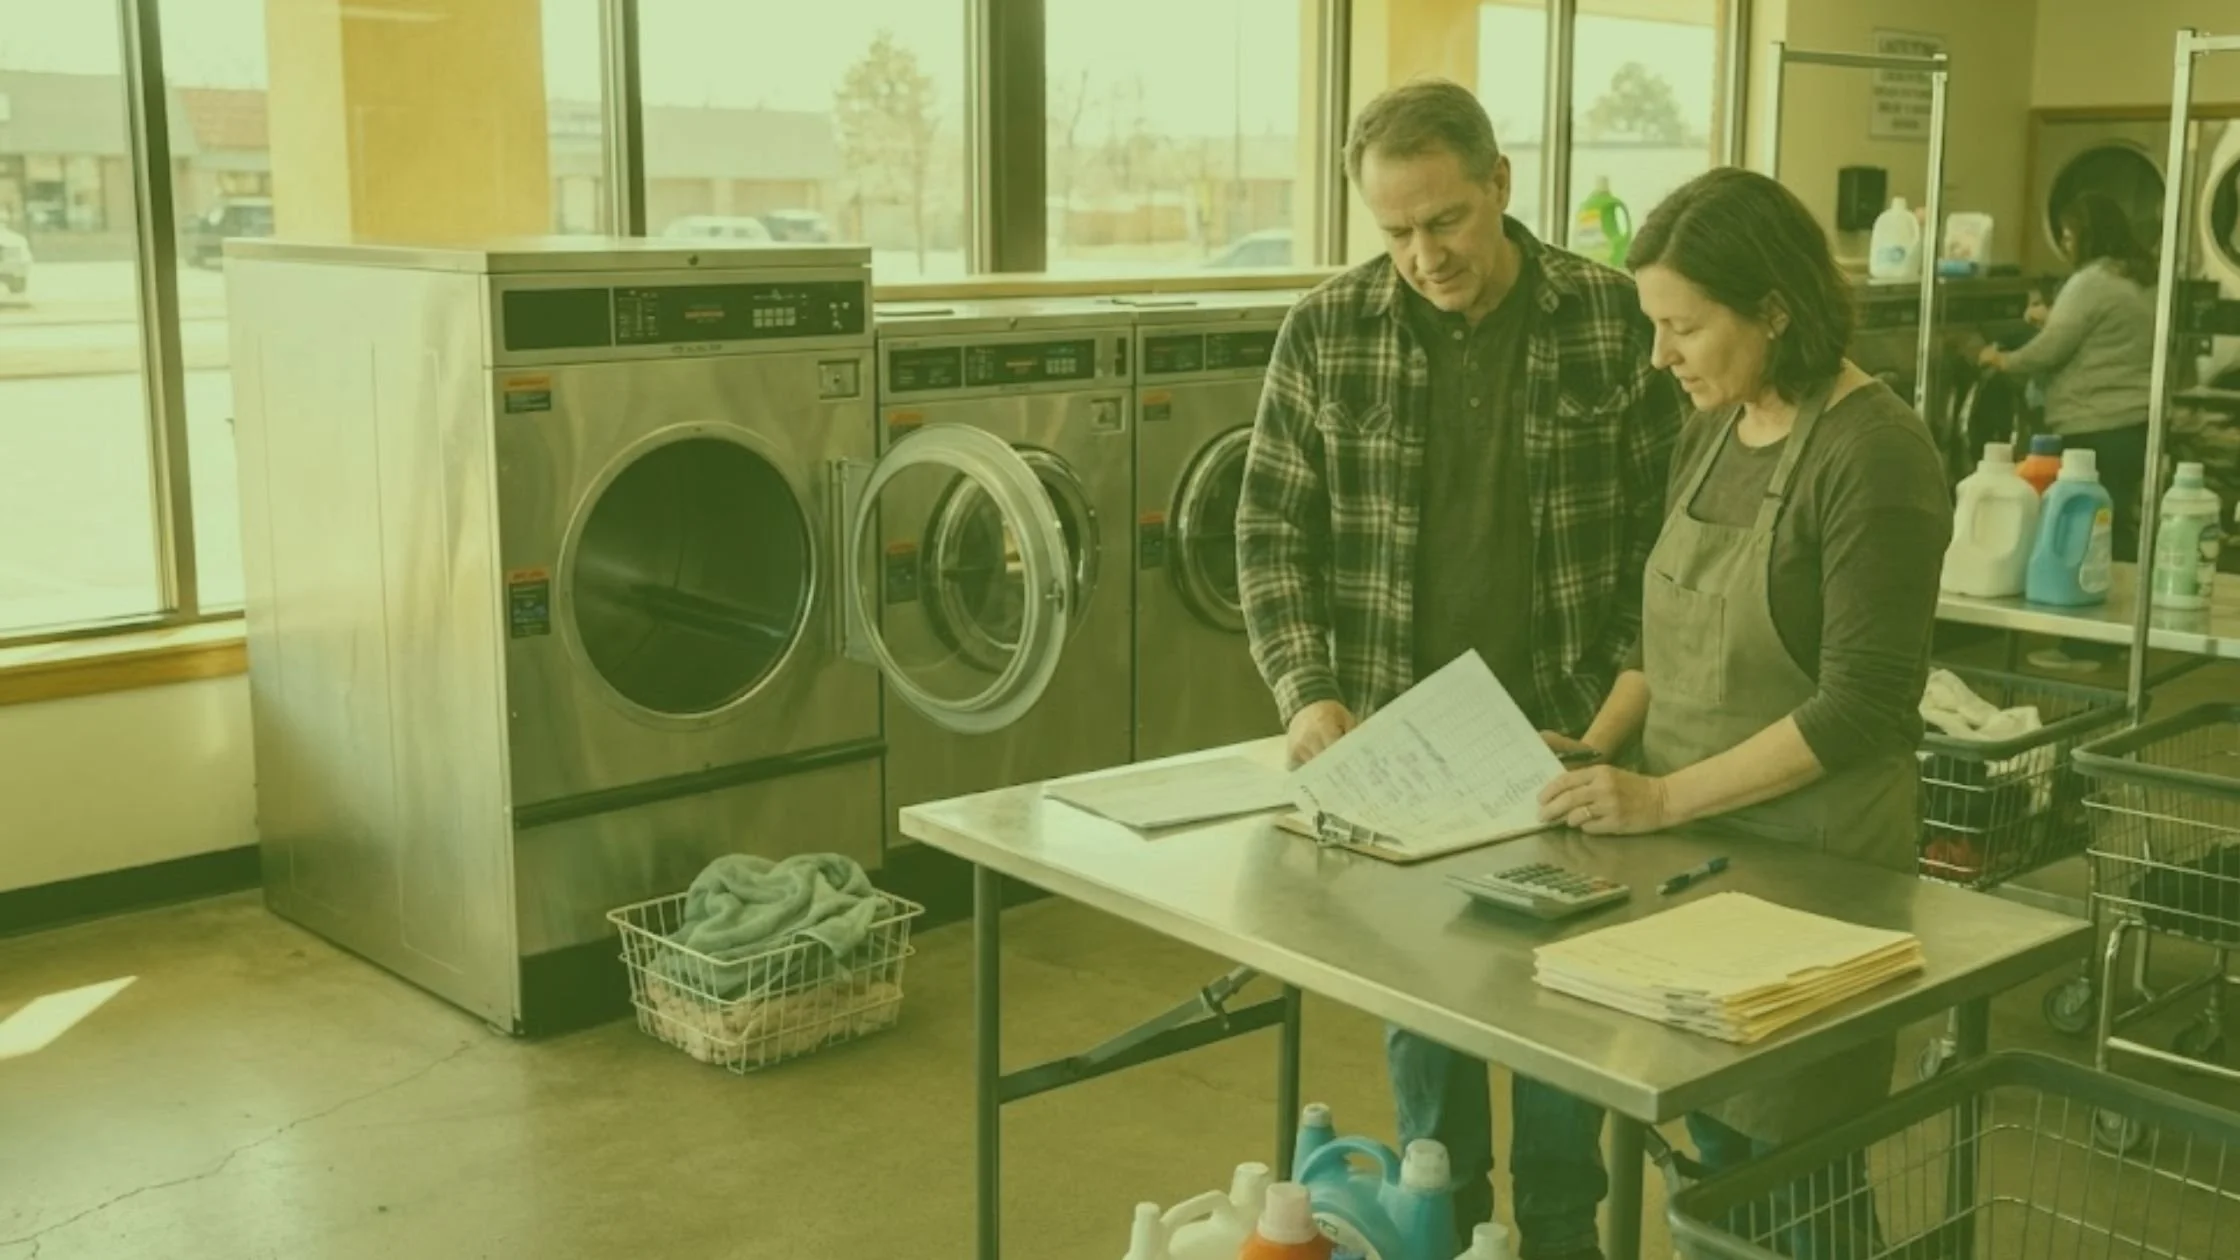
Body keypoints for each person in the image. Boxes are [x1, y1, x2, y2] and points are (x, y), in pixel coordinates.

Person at [1236, 78, 1684, 1260]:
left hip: (1568, 739)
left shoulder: (1608, 318)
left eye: (1445, 221)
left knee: (1561, 1024)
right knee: (1425, 1038)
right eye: (1393, 232)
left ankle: (1557, 1232)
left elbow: (1672, 537)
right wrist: (1307, 692)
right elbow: (1271, 531)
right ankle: (1444, 1225)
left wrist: (1607, 717)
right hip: (1400, 753)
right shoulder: (1327, 331)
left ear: (1499, 185)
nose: (1422, 255)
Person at [1535, 167, 1950, 1259]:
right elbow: (1655, 634)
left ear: (1772, 308)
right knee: (1706, 1154)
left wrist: (1661, 793)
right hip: (1684, 857)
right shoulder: (1715, 425)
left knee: (1783, 1176)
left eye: (1682, 326)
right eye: (1653, 326)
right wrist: (1596, 743)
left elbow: (1860, 706)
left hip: (1813, 875)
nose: (1658, 356)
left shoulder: (1873, 455)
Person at [1978, 192, 2159, 671]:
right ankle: (2114, 636)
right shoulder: (2133, 278)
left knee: (2081, 530)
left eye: (2069, 234)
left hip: (2094, 420)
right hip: (2134, 421)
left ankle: (2085, 645)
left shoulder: (2092, 280)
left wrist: (2002, 360)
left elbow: (2052, 349)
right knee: (2112, 528)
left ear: (2088, 234)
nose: (2064, 242)